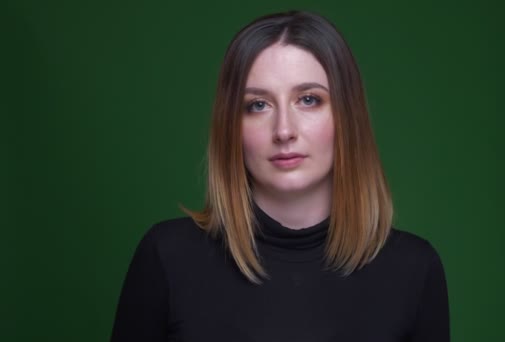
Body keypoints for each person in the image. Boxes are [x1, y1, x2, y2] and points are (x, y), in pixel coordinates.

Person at [110, 10, 449, 342]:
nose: (284, 130)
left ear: (347, 117)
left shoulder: (414, 270)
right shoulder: (167, 257)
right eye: (258, 105)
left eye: (308, 99)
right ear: (232, 127)